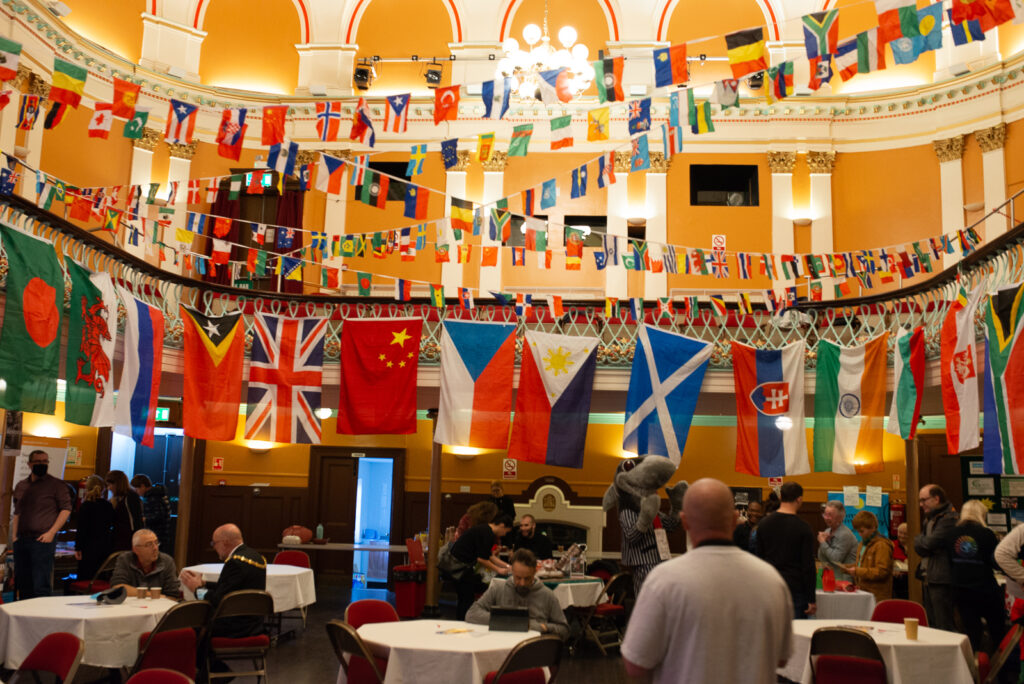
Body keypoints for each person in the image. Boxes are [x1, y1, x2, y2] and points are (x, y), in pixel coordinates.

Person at [622, 478, 793, 684]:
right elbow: (782, 659)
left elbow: (635, 665)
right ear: (735, 519)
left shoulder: (663, 580)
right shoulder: (772, 580)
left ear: (685, 522)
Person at [941, 500, 1006, 654]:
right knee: (997, 629)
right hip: (985, 588)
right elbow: (995, 561)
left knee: (971, 631)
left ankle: (974, 663)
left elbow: (949, 561)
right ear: (981, 514)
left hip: (960, 588)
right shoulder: (987, 534)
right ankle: (998, 664)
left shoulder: (950, 534)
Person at [181, 524, 267, 637]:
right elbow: (230, 587)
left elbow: (217, 601)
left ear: (225, 543)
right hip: (253, 623)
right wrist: (205, 583)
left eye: (214, 543)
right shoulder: (255, 556)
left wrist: (197, 589)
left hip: (235, 627)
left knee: (187, 618)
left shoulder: (234, 562)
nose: (214, 547)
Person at [465, 548, 568, 637]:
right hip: (502, 645)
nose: (522, 583)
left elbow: (564, 630)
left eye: (527, 578)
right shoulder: (498, 588)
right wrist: (508, 620)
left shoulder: (547, 595)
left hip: (534, 647)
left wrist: (542, 627)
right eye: (518, 578)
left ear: (534, 572)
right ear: (512, 572)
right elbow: (471, 614)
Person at [12, 450, 73, 599]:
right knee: (23, 583)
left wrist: (51, 532)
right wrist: (14, 537)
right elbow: (17, 512)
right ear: (29, 464)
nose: (42, 464)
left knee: (41, 584)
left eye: (45, 461)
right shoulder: (21, 485)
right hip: (22, 539)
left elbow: (66, 509)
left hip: (43, 540)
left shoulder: (56, 485)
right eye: (38, 462)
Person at [756, 481, 816, 618]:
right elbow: (808, 566)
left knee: (772, 628)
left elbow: (759, 559)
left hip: (770, 585)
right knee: (796, 629)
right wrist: (811, 598)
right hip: (795, 589)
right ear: (799, 499)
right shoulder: (804, 528)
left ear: (781, 497)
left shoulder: (764, 524)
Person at [440, 514, 514, 620]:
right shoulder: (488, 533)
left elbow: (489, 555)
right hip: (460, 567)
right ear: (502, 525)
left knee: (465, 597)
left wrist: (507, 566)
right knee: (466, 598)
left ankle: (462, 620)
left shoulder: (484, 529)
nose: (504, 534)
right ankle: (464, 621)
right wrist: (499, 570)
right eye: (506, 531)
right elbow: (482, 559)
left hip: (458, 565)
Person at [914, 484, 958, 631]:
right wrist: (921, 541)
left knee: (943, 624)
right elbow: (919, 545)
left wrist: (921, 541)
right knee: (931, 623)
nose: (921, 505)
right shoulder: (929, 519)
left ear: (936, 499)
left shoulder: (949, 518)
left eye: (924, 500)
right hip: (929, 576)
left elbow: (929, 543)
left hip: (942, 578)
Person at [110, 528, 182, 598]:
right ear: (136, 549)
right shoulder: (125, 559)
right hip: (132, 605)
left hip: (159, 605)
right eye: (149, 544)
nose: (155, 548)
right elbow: (118, 587)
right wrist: (151, 595)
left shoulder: (167, 561)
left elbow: (173, 595)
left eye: (156, 543)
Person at [840, 511, 893, 603]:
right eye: (857, 531)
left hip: (877, 596)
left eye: (862, 531)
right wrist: (844, 568)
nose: (859, 534)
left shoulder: (882, 545)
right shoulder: (862, 544)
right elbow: (861, 565)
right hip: (864, 592)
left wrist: (857, 571)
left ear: (873, 528)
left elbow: (882, 572)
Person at [74, 474, 114, 582]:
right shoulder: (108, 505)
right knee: (100, 577)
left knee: (86, 578)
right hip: (105, 545)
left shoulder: (86, 506)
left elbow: (82, 529)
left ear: (87, 488)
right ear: (103, 488)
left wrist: (78, 547)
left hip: (88, 547)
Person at [817, 500, 858, 582]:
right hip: (829, 577)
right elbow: (821, 557)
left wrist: (823, 543)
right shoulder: (828, 531)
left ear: (840, 517)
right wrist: (825, 542)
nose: (826, 518)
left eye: (830, 515)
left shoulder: (845, 534)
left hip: (843, 581)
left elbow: (836, 559)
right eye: (825, 514)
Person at [131, 474, 172, 550]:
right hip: (163, 535)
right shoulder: (158, 494)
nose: (136, 492)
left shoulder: (153, 497)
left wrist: (144, 519)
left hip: (157, 535)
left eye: (136, 489)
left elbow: (158, 516)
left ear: (143, 486)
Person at [106, 470, 143, 552]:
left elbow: (135, 520)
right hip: (119, 537)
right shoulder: (118, 498)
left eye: (110, 485)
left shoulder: (130, 497)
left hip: (127, 539)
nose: (109, 488)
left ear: (117, 484)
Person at [892, 522, 909, 599]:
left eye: (905, 534)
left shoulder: (914, 546)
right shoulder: (892, 545)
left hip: (912, 580)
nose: (902, 536)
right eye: (900, 533)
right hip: (897, 580)